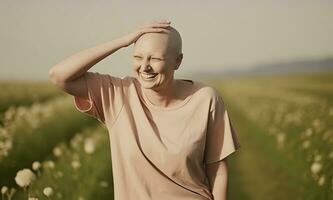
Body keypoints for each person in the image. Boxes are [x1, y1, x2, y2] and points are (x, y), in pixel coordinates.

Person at [49, 20, 241, 200]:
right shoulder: (118, 94)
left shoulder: (206, 98)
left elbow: (218, 170)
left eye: (155, 58)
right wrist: (124, 41)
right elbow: (59, 76)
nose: (144, 67)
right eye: (138, 57)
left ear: (178, 61)